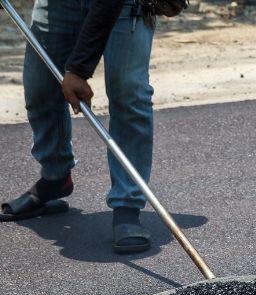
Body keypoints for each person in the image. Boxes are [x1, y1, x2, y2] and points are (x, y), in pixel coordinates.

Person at [0, 0, 155, 254]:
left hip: (126, 6)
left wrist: (79, 69)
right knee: (40, 89)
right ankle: (56, 177)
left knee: (129, 93)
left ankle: (127, 204)